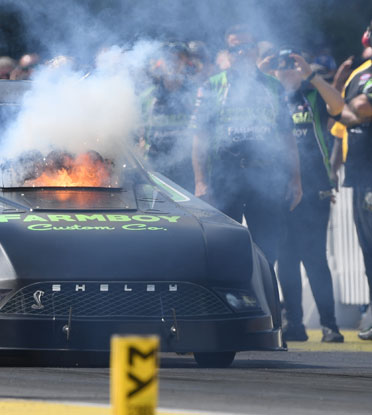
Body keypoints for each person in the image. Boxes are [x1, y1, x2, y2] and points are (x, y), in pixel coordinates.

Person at [191, 25, 302, 267]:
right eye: (235, 48)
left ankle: (264, 292)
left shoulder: (273, 86)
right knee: (224, 251)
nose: (241, 53)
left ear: (256, 50)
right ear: (227, 52)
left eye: (247, 47)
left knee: (267, 252)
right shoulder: (212, 85)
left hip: (265, 176)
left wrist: (295, 178)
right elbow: (200, 137)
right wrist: (200, 181)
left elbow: (287, 136)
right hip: (224, 177)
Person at [274, 52, 345, 343]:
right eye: (281, 68)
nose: (288, 72)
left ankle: (330, 325)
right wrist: (263, 68)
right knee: (286, 259)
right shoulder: (271, 98)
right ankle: (294, 324)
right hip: (280, 190)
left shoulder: (312, 94)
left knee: (314, 257)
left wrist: (311, 75)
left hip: (315, 188)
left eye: (293, 67)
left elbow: (339, 107)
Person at [329, 21, 372, 340]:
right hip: (359, 175)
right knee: (367, 249)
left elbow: (359, 108)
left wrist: (341, 104)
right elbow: (340, 128)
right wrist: (332, 169)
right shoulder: (358, 73)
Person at [139, 42, 195, 192]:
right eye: (168, 58)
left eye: (178, 58)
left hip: (186, 167)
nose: (173, 63)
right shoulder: (147, 96)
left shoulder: (195, 93)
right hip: (154, 167)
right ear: (161, 62)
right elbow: (140, 135)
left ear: (185, 62)